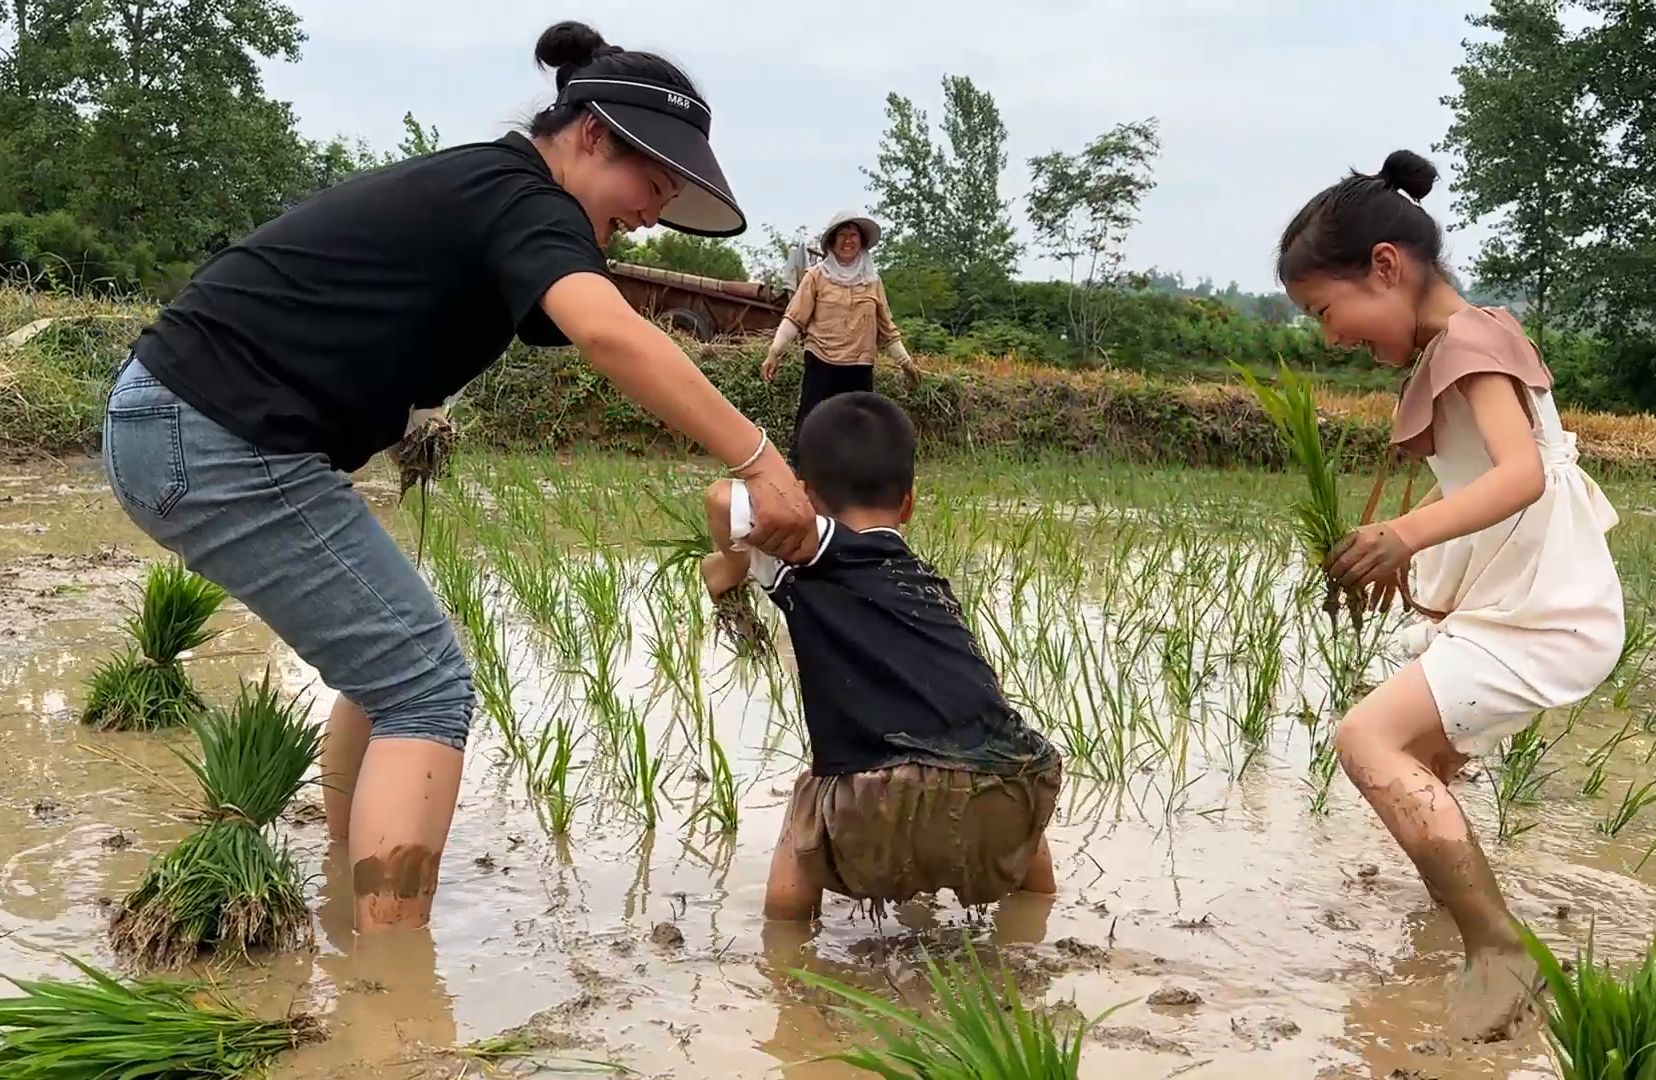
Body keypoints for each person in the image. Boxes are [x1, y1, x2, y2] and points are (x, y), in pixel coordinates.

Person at [99, 20, 816, 935]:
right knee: (425, 683)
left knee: (387, 658)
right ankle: (392, 984)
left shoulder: (495, 192)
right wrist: (759, 458)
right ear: (591, 134)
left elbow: (565, 312)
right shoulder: (520, 195)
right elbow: (605, 332)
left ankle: (349, 883)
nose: (653, 209)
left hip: (187, 419)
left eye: (671, 194)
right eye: (651, 182)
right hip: (214, 431)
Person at [1278, 150, 1623, 1039]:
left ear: (1385, 267)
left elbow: (1520, 479)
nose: (1330, 335)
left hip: (1543, 617)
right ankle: (1449, 919)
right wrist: (1417, 548)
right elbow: (1498, 479)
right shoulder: (1468, 335)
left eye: (1326, 309)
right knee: (1422, 757)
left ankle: (1496, 945)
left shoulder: (1468, 343)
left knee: (1366, 739)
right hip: (1537, 602)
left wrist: (1401, 535)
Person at [696, 392, 1062, 920]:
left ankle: (789, 951)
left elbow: (721, 497)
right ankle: (1035, 915)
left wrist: (727, 572)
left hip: (871, 801)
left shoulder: (811, 544)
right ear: (909, 503)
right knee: (998, 761)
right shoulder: (929, 585)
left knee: (803, 811)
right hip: (1011, 794)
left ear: (805, 499)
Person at [760, 212, 921, 456]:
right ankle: (803, 475)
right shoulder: (817, 276)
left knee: (858, 427)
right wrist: (774, 353)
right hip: (821, 362)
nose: (848, 241)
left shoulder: (872, 282)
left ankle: (852, 480)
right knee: (814, 422)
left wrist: (906, 363)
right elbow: (794, 318)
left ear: (862, 241)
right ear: (832, 243)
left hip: (859, 365)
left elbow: (887, 329)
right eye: (842, 235)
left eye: (853, 235)